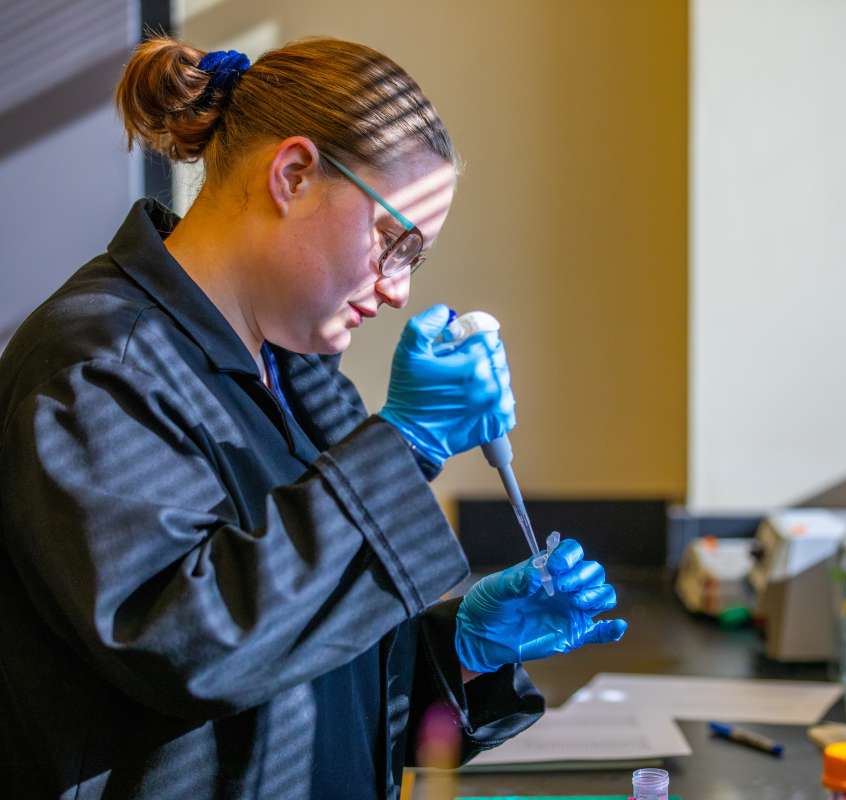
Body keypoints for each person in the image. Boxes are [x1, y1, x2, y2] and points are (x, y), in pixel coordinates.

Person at [0, 37, 627, 799]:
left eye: (414, 262)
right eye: (396, 243)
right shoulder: (101, 363)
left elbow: (304, 677)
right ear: (293, 174)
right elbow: (190, 651)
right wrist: (405, 446)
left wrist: (461, 648)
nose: (396, 290)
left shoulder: (297, 378)